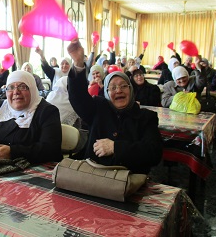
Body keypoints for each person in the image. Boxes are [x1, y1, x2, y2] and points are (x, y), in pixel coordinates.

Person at [67, 39, 163, 174]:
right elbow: (78, 97)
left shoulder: (146, 117)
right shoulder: (98, 108)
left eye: (124, 86)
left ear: (131, 90)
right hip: (92, 177)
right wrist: (78, 63)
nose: (118, 91)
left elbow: (154, 153)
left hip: (128, 182)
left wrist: (116, 147)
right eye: (113, 88)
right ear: (106, 92)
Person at [0, 70, 62, 164]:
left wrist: (12, 152)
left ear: (32, 89)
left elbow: (50, 149)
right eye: (11, 87)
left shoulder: (47, 111)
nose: (16, 92)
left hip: (32, 168)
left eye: (22, 87)